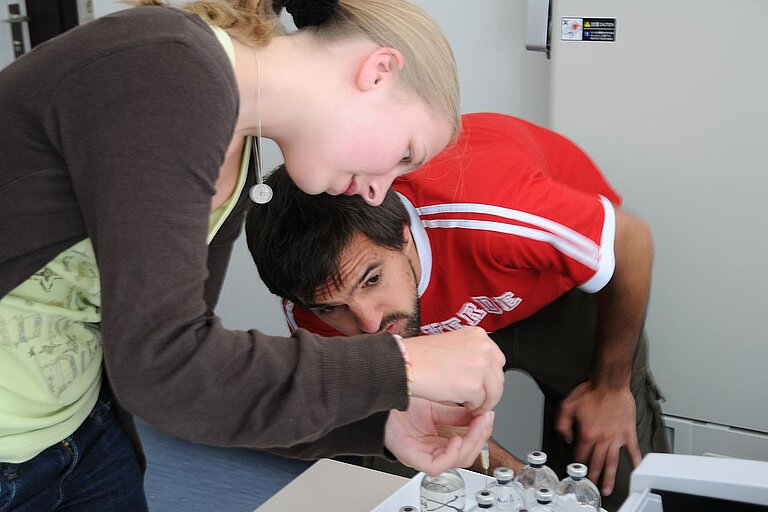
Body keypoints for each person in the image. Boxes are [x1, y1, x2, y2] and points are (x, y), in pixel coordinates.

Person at [0, 1, 507, 510]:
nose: (380, 194)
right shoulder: (164, 66)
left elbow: (189, 378)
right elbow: (165, 366)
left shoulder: (237, 148)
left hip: (80, 429)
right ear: (378, 73)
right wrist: (400, 366)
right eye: (404, 154)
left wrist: (380, 419)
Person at [246, 112, 671, 511]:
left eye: (372, 279)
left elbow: (631, 242)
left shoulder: (491, 212)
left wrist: (611, 388)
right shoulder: (310, 307)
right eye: (332, 308)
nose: (367, 323)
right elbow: (425, 427)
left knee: (616, 472)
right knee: (405, 458)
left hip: (549, 292)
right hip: (429, 323)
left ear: (404, 236)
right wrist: (523, 484)